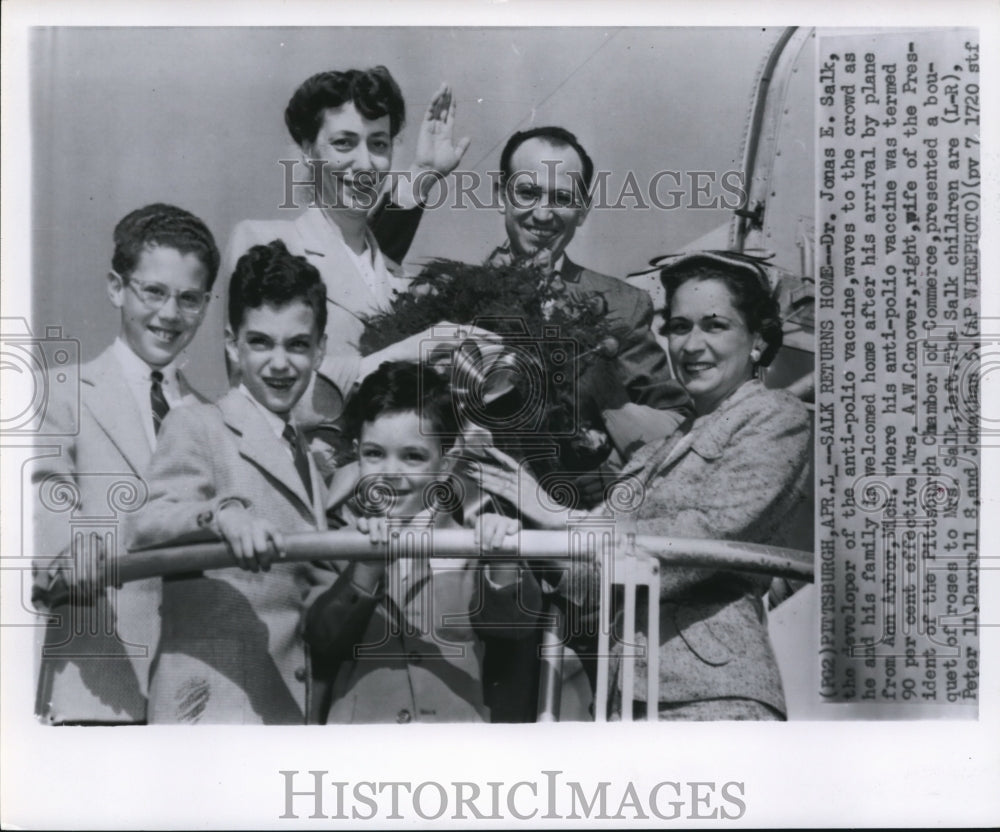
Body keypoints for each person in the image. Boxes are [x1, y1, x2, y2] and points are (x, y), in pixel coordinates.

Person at [482, 250, 812, 720]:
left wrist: (563, 519)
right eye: (679, 327)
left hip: (712, 698)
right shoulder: (651, 455)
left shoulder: (777, 418)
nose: (692, 345)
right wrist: (519, 528)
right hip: (622, 703)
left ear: (758, 339)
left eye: (714, 326)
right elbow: (588, 581)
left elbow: (706, 536)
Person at [125, 239, 336, 724]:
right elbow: (146, 524)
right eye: (260, 342)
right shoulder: (197, 424)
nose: (279, 363)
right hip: (210, 718)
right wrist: (224, 513)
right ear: (231, 344)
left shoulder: (305, 455)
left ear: (320, 348)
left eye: (298, 344)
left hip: (283, 717)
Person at [32, 203, 220, 725]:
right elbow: (42, 507)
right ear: (117, 287)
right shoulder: (59, 394)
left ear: (207, 305)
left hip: (194, 706)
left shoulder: (213, 419)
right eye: (153, 292)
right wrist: (72, 549)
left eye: (189, 299)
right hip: (97, 695)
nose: (169, 314)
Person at [221, 67, 476, 427]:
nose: (365, 163)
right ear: (309, 152)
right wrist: (404, 354)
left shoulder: (396, 277)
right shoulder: (267, 242)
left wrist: (424, 174)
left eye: (379, 144)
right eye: (344, 143)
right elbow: (259, 397)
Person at [304, 361, 529, 724]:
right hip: (360, 755)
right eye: (375, 454)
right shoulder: (335, 544)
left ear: (446, 462)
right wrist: (366, 566)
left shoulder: (469, 545)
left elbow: (512, 627)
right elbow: (322, 644)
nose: (391, 474)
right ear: (358, 454)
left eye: (413, 457)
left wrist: (502, 556)